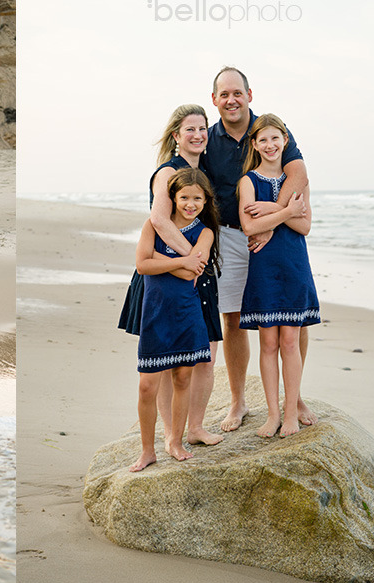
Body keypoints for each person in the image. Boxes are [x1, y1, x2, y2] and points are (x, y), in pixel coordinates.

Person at [197, 66, 316, 432]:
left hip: (277, 237)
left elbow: (298, 174)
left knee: (291, 317)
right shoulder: (208, 138)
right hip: (230, 236)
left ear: (250, 94)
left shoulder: (270, 128)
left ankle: (292, 398)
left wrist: (273, 221)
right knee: (233, 317)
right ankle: (237, 401)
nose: (231, 100)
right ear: (215, 100)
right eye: (224, 94)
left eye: (237, 93)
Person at [120, 104, 224, 448]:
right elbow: (160, 221)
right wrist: (190, 261)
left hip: (197, 272)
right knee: (165, 361)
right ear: (176, 135)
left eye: (203, 128)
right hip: (167, 275)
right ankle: (170, 434)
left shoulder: (204, 171)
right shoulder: (167, 172)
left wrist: (197, 263)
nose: (197, 135)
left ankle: (195, 427)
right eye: (189, 129)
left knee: (204, 353)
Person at [130, 168, 220, 468]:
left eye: (197, 198)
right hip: (155, 313)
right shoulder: (154, 225)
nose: (190, 204)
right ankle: (147, 450)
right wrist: (182, 260)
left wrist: (162, 260)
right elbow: (142, 265)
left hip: (187, 313)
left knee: (183, 378)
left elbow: (193, 272)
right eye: (184, 197)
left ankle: (177, 442)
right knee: (147, 385)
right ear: (173, 198)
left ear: (206, 201)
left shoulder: (205, 232)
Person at [237, 114, 320, 437]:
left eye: (276, 139)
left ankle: (290, 414)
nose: (270, 145)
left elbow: (305, 226)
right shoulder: (248, 182)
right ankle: (272, 415)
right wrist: (286, 211)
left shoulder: (299, 181)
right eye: (263, 140)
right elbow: (249, 226)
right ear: (254, 144)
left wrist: (272, 211)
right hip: (264, 269)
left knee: (290, 340)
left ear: (285, 141)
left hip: (294, 265)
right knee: (268, 342)